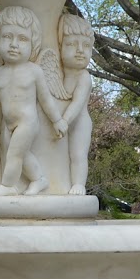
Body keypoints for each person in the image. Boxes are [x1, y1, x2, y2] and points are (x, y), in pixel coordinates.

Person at [0, 6, 67, 196]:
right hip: (8, 123)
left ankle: (8, 186)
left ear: (33, 45)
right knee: (22, 154)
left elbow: (45, 100)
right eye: (7, 37)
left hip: (27, 122)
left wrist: (57, 120)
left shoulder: (33, 71)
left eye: (22, 39)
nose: (14, 44)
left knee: (14, 154)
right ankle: (39, 179)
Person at [56, 13, 94, 195]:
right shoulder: (58, 72)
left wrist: (64, 120)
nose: (80, 50)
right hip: (61, 123)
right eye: (72, 44)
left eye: (86, 46)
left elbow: (78, 103)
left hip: (79, 122)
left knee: (78, 155)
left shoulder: (83, 76)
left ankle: (78, 184)